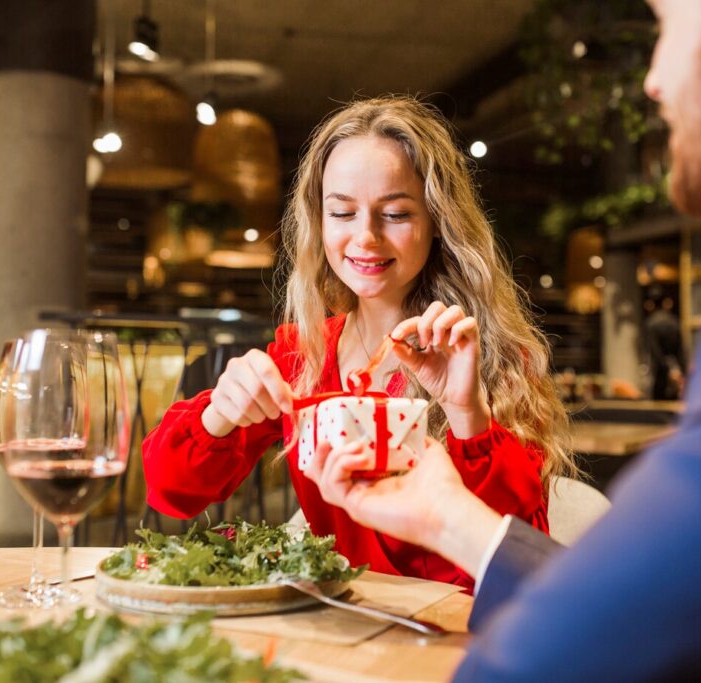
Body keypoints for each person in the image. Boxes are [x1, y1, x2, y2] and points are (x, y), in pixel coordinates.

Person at [306, 0, 701, 679]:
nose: (652, 79)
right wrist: (447, 517)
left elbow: (607, 643)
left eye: (667, 25)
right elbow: (672, 601)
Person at [142, 96, 575, 591]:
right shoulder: (302, 356)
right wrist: (218, 413)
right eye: (342, 212)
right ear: (319, 222)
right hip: (343, 632)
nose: (365, 237)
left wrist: (468, 414)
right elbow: (170, 490)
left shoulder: (489, 360)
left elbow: (515, 562)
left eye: (394, 213)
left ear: (437, 222)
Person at [644, 284, 686, 400]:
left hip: (660, 374)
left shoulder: (651, 323)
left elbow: (655, 352)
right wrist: (681, 371)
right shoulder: (674, 322)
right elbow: (681, 351)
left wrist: (666, 370)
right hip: (676, 373)